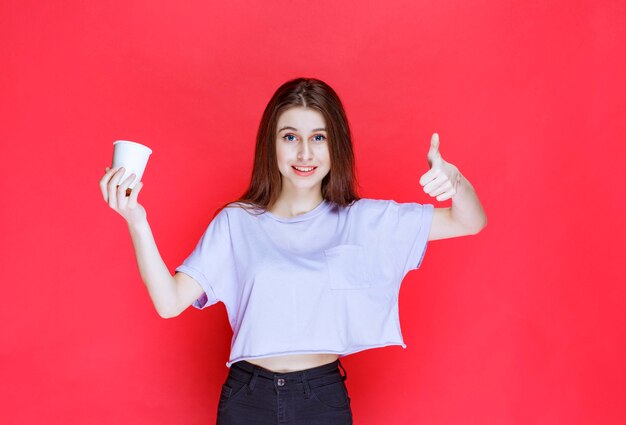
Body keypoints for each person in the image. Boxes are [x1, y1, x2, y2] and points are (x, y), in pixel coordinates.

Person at [99, 77, 487, 424]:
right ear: (272, 143)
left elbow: (470, 221)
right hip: (246, 398)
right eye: (290, 137)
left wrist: (456, 181)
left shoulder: (365, 220)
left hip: (320, 399)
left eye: (318, 137)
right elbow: (169, 303)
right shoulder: (238, 222)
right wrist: (136, 219)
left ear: (337, 145)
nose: (304, 153)